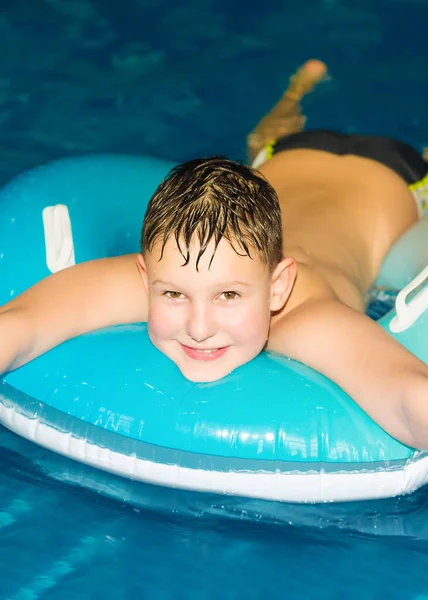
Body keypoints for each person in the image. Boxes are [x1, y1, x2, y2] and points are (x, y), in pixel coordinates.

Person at [0, 60, 427, 448]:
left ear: (277, 287)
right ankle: (297, 87)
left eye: (228, 296)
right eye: (173, 295)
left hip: (403, 180)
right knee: (266, 139)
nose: (199, 328)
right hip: (287, 153)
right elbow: (21, 325)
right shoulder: (166, 272)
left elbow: (408, 396)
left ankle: (301, 85)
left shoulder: (308, 320)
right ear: (145, 277)